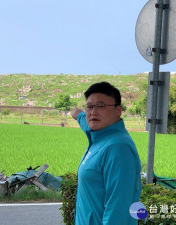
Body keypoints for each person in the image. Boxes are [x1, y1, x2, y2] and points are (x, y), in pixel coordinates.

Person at [72, 81, 142, 225]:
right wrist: (79, 115)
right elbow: (87, 124)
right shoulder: (99, 136)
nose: (93, 112)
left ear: (118, 111)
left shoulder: (117, 148)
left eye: (101, 106)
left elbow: (119, 210)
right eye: (90, 106)